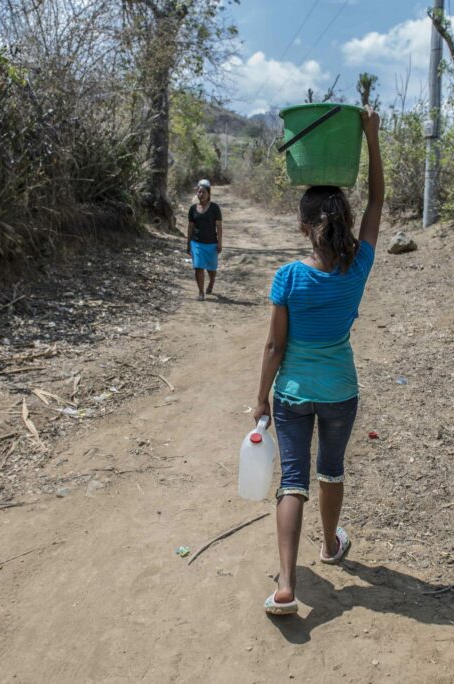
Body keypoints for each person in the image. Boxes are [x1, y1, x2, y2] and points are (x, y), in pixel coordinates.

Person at [253, 107, 384, 616]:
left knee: (292, 481)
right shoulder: (359, 266)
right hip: (340, 392)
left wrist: (260, 396)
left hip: (292, 396)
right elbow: (377, 198)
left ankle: (286, 587)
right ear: (347, 221)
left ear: (304, 224)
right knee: (331, 470)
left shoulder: (288, 276)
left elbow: (273, 348)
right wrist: (371, 135)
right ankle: (330, 546)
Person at [187, 179, 223, 300]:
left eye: (203, 192)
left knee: (211, 269)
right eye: (198, 192)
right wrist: (188, 243)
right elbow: (190, 226)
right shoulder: (192, 209)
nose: (200, 194)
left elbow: (219, 226)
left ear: (208, 194)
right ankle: (201, 293)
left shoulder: (215, 208)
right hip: (196, 242)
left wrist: (219, 242)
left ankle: (212, 281)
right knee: (198, 267)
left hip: (211, 243)